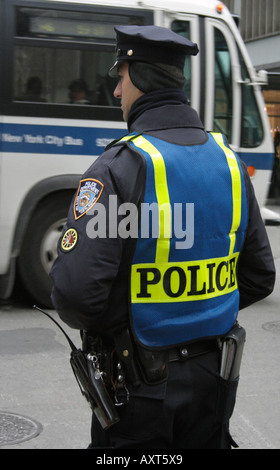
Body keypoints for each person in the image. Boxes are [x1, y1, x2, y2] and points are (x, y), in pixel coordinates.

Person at [50, 25, 275, 449]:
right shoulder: (230, 164)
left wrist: (136, 324)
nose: (117, 92)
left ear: (137, 77)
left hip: (139, 390)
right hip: (215, 381)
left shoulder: (116, 168)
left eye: (120, 78)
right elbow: (259, 277)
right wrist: (197, 311)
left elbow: (76, 296)